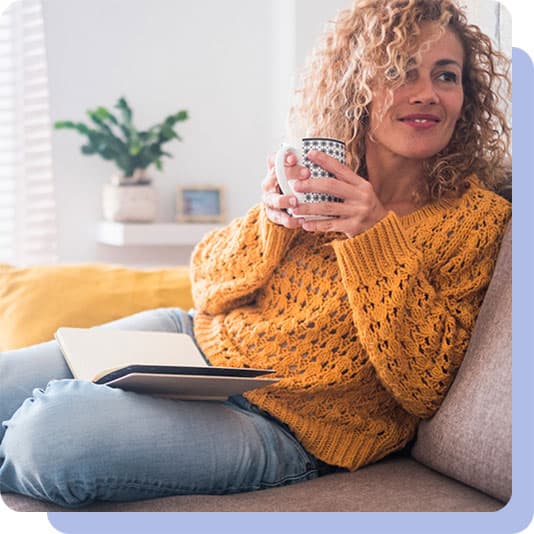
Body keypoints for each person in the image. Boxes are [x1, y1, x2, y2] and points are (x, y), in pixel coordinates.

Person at [0, 0, 511, 508]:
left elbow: (426, 385)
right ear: (360, 86)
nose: (426, 94)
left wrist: (372, 234)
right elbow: (207, 284)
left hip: (284, 427)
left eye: (447, 76)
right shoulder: (321, 175)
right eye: (401, 71)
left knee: (47, 438)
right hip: (189, 344)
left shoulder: (479, 220)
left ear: (467, 95)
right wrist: (269, 220)